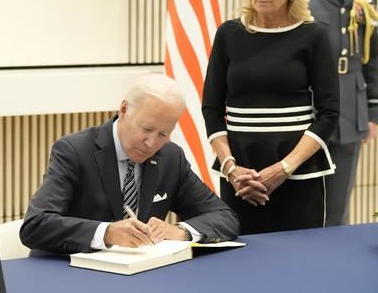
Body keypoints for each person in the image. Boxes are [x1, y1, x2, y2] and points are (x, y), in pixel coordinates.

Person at [201, 0, 340, 235]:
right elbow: (211, 109)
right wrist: (231, 168)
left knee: (299, 265)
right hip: (240, 180)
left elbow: (329, 114)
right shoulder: (228, 34)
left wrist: (284, 169)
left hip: (299, 177)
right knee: (239, 266)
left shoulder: (313, 36)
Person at [20, 74, 240, 254]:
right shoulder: (74, 151)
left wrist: (180, 231)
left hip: (140, 280)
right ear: (124, 110)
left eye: (163, 134)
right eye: (146, 129)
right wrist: (106, 233)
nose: (151, 143)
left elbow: (225, 218)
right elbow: (35, 225)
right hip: (72, 277)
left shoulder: (171, 157)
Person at [301, 0, 378, 226]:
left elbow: (372, 54)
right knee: (307, 198)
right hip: (310, 108)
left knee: (339, 202)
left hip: (351, 106)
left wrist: (374, 110)